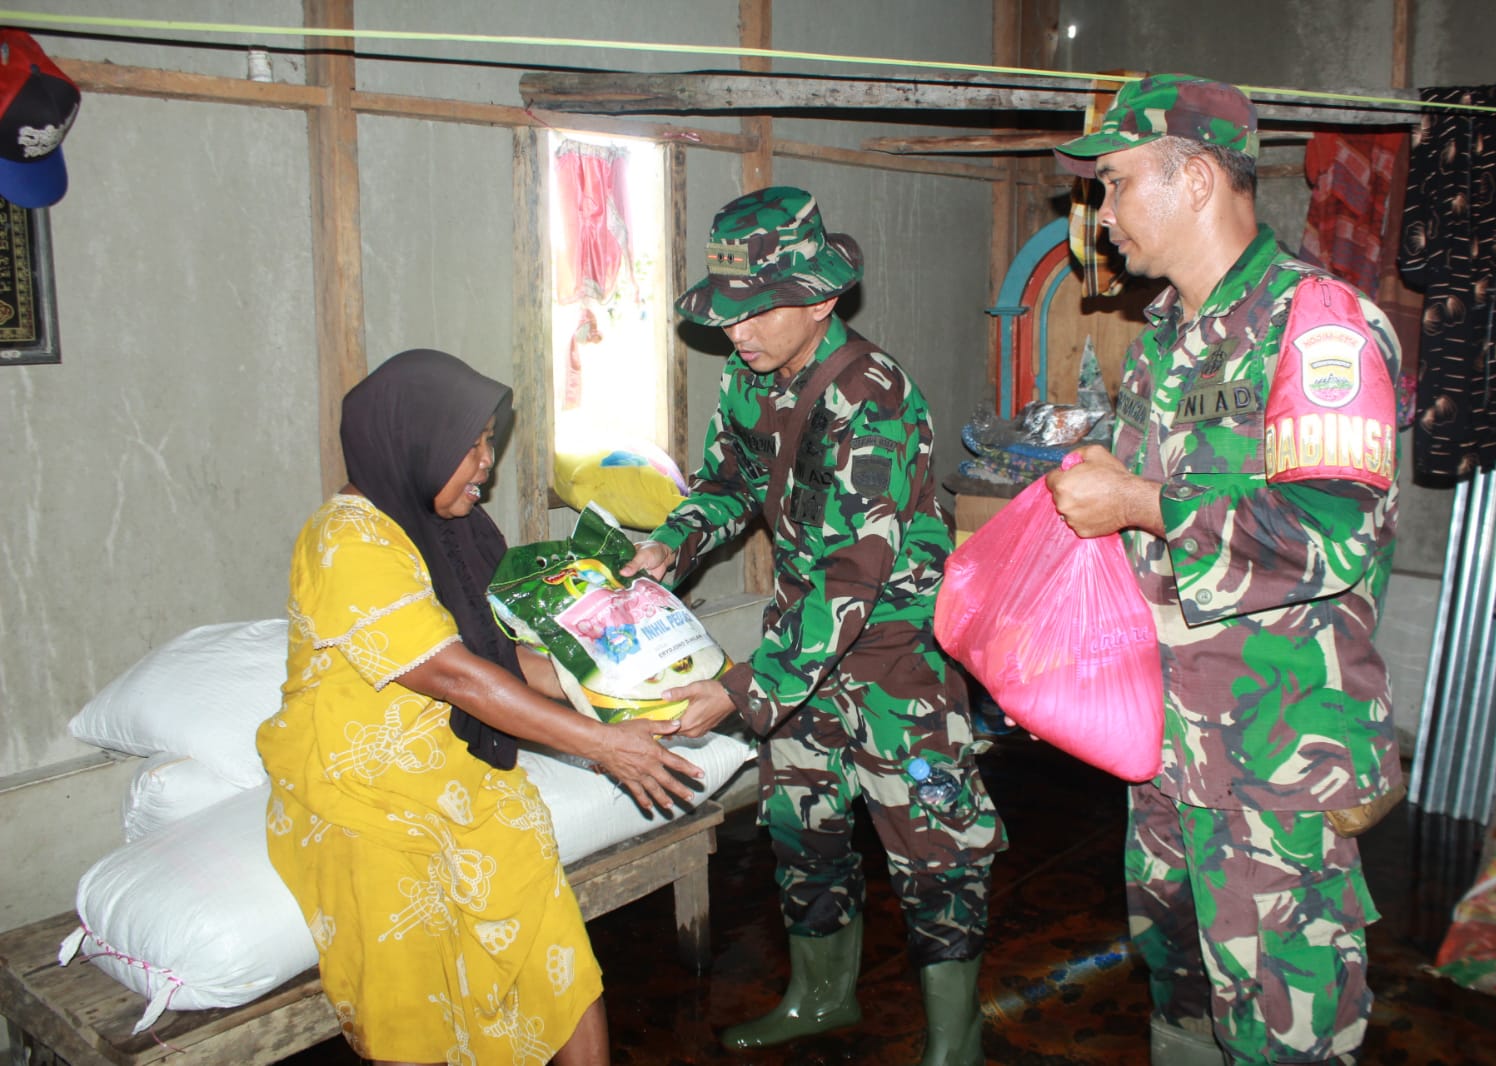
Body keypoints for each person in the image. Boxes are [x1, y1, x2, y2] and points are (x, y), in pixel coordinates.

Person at [1047, 75, 1405, 1066]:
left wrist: (1140, 503)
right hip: (1166, 755)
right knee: (1185, 998)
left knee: (1286, 1030)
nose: (1102, 216)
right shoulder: (1164, 339)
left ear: (1196, 175)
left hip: (1274, 767)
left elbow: (1333, 532)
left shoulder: (1316, 325)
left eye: (1115, 185)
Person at [622, 187, 1006, 1066]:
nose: (736, 333)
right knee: (805, 830)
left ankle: (956, 1040)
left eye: (754, 311)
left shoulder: (871, 398)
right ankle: (819, 998)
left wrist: (740, 690)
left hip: (891, 661)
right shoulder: (750, 374)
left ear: (821, 299)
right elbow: (724, 482)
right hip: (803, 650)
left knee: (934, 851)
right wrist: (668, 545)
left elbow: (849, 574)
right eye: (724, 314)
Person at [256, 348, 703, 1066]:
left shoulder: (450, 533)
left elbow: (505, 663)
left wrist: (618, 687)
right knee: (409, 980)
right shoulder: (346, 541)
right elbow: (453, 676)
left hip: (460, 766)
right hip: (362, 794)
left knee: (551, 942)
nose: (486, 466)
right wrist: (603, 747)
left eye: (490, 443)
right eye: (470, 449)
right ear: (415, 443)